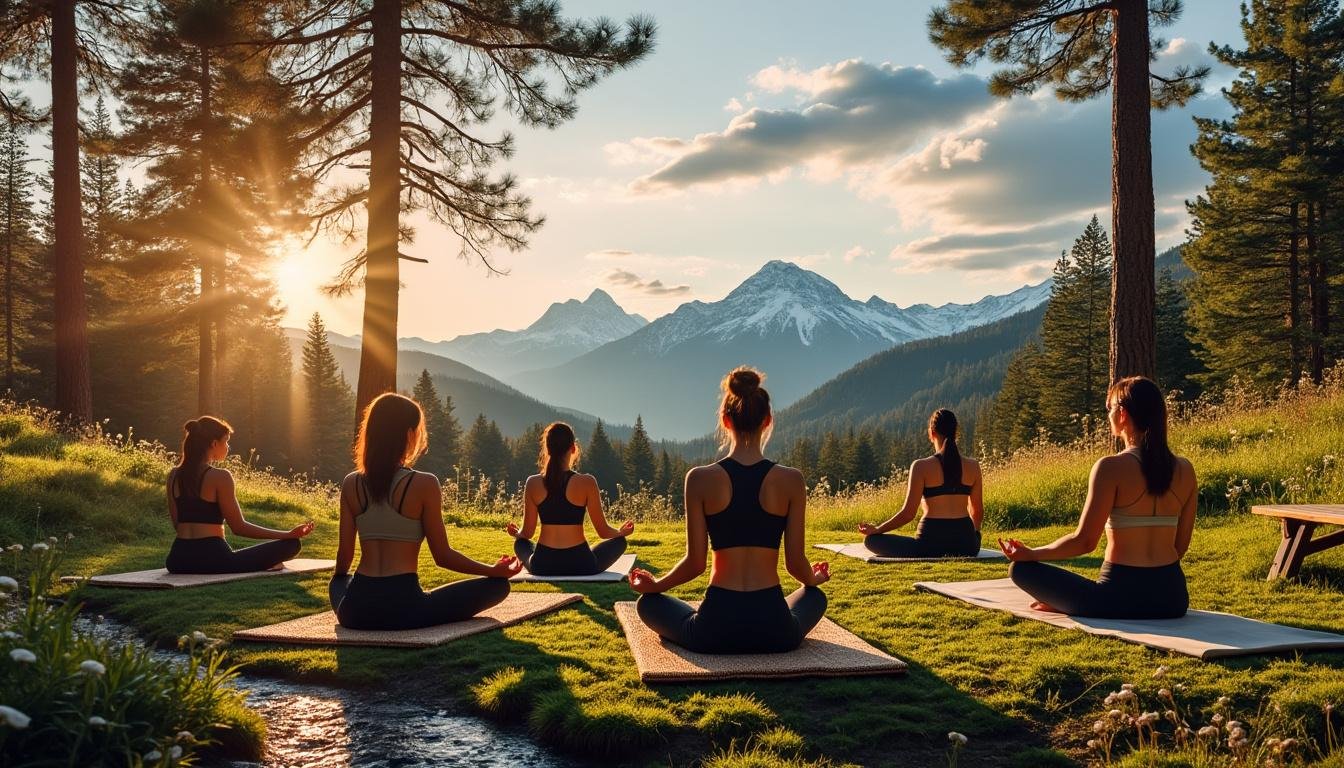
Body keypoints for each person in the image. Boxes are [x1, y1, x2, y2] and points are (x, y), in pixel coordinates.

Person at [628, 367, 829, 654]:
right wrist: (814, 579)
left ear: (725, 421)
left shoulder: (698, 479)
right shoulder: (791, 480)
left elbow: (695, 563)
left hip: (714, 630)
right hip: (775, 630)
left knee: (647, 604)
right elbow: (796, 564)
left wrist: (656, 585)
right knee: (815, 596)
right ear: (768, 420)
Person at [999, 376, 1196, 619]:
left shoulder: (1110, 468)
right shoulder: (1185, 470)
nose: (1108, 415)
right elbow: (1179, 547)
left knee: (1020, 570)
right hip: (1172, 598)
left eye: (1109, 408)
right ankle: (1070, 602)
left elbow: (1084, 542)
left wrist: (1032, 554)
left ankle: (1069, 602)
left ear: (1122, 414)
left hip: (1115, 598)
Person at [329, 393, 519, 630]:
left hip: (355, 611)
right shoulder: (424, 484)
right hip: (406, 610)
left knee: (339, 581)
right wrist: (493, 571)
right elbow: (443, 556)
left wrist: (341, 582)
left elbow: (344, 557)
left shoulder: (351, 483)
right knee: (498, 586)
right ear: (408, 434)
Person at [165, 416, 313, 573]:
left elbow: (177, 524)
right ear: (214, 444)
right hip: (214, 560)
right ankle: (267, 562)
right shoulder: (220, 477)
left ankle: (265, 562)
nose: (228, 447)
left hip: (177, 559)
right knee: (292, 544)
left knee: (281, 545)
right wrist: (288, 534)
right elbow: (239, 527)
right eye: (226, 441)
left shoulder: (173, 475)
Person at [506, 422, 634, 576]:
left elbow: (527, 533)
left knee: (520, 543)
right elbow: (603, 532)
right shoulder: (587, 482)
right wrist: (621, 532)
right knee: (620, 542)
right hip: (582, 563)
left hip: (543, 564)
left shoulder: (532, 482)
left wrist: (516, 534)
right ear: (573, 448)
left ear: (547, 449)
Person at [857, 409, 983, 557]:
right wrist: (972, 536)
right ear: (956, 433)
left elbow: (908, 514)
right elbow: (977, 511)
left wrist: (878, 530)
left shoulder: (921, 466)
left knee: (871, 541)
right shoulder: (973, 466)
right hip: (967, 545)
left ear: (931, 433)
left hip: (929, 545)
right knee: (973, 537)